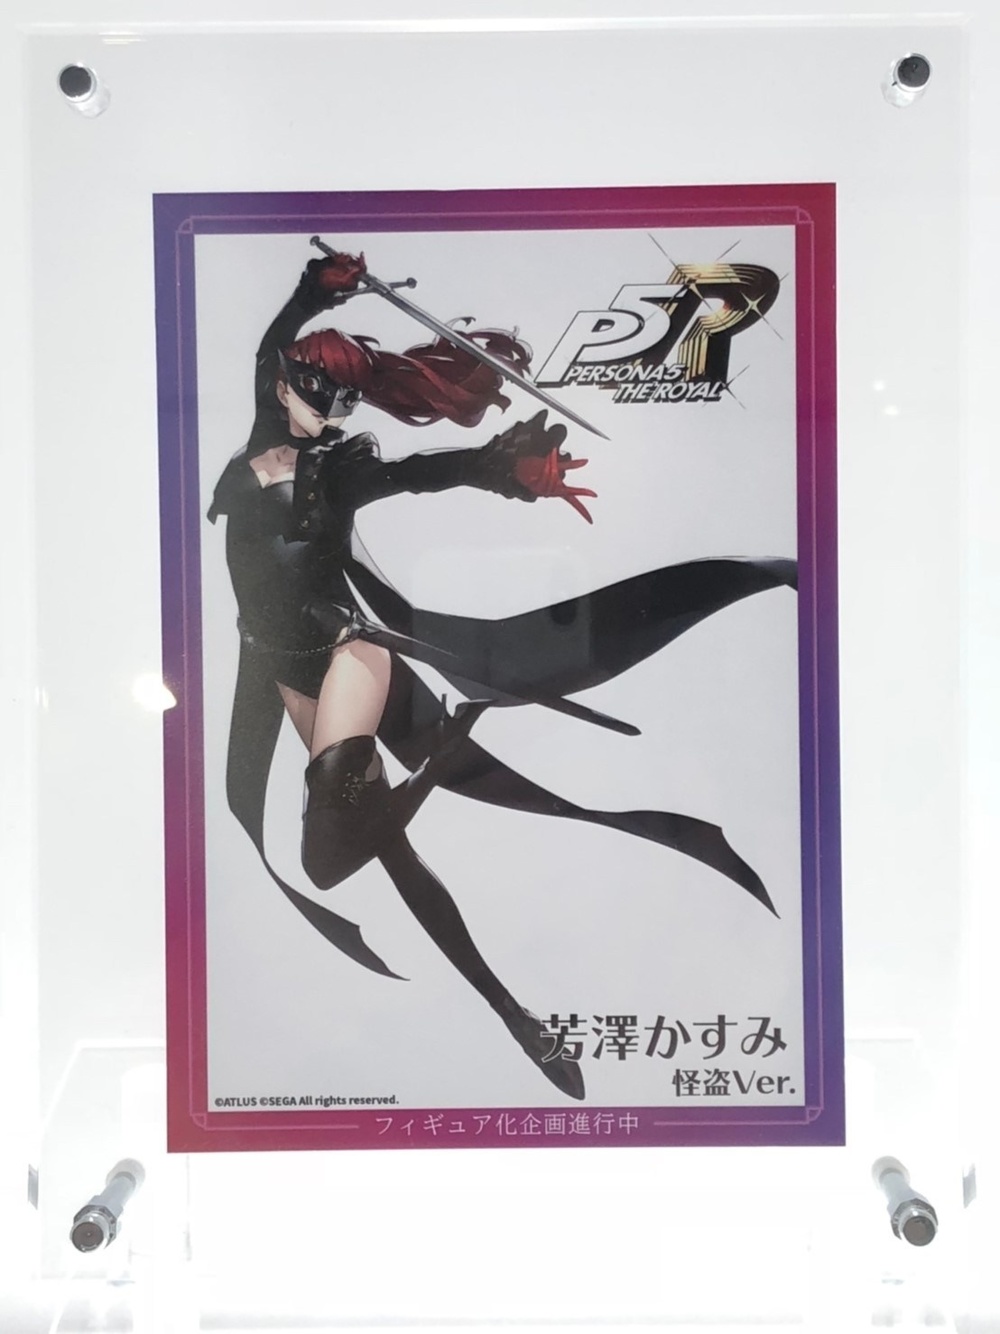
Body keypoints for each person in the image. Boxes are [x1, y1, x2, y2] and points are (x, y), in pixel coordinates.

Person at [208, 250, 797, 1101]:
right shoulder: (268, 419)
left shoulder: (336, 469)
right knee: (389, 853)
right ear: (286, 384)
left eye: (345, 402)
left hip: (346, 655)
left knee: (329, 854)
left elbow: (417, 474)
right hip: (277, 667)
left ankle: (444, 760)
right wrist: (312, 287)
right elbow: (273, 342)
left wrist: (498, 469)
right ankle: (517, 1018)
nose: (331, 414)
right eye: (320, 395)